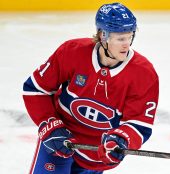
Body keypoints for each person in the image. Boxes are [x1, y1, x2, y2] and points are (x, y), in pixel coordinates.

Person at [22, 2, 159, 174]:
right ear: (103, 36)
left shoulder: (144, 73)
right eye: (120, 39)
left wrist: (120, 140)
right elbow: (35, 89)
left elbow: (139, 124)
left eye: (130, 36)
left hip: (97, 154)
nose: (127, 44)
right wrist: (50, 126)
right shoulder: (71, 52)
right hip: (59, 141)